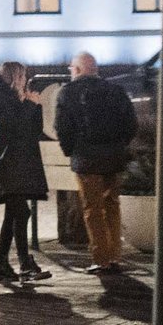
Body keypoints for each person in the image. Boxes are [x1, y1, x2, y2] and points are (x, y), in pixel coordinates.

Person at [54, 51, 139, 272]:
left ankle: (100, 258)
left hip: (86, 158)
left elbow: (63, 127)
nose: (71, 72)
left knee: (92, 208)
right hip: (114, 156)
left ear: (79, 70)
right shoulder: (115, 91)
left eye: (72, 68)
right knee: (112, 204)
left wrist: (70, 150)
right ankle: (114, 256)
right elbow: (131, 123)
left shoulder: (68, 93)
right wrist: (120, 144)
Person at [0, 61, 51, 283]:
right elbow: (13, 127)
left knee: (16, 213)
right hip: (8, 164)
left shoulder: (8, 98)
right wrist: (29, 106)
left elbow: (33, 130)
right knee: (20, 212)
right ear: (14, 78)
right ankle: (21, 263)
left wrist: (34, 106)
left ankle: (4, 263)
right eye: (22, 77)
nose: (24, 81)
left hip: (17, 163)